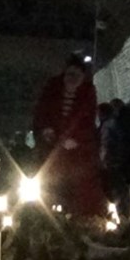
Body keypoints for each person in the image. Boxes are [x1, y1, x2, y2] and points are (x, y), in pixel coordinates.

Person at [32, 53, 107, 217]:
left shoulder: (88, 92)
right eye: (69, 74)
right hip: (52, 149)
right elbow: (41, 112)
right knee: (49, 183)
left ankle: (77, 216)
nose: (72, 79)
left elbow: (88, 121)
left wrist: (77, 139)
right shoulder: (52, 88)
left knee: (78, 184)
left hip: (76, 150)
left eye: (76, 75)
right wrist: (46, 129)